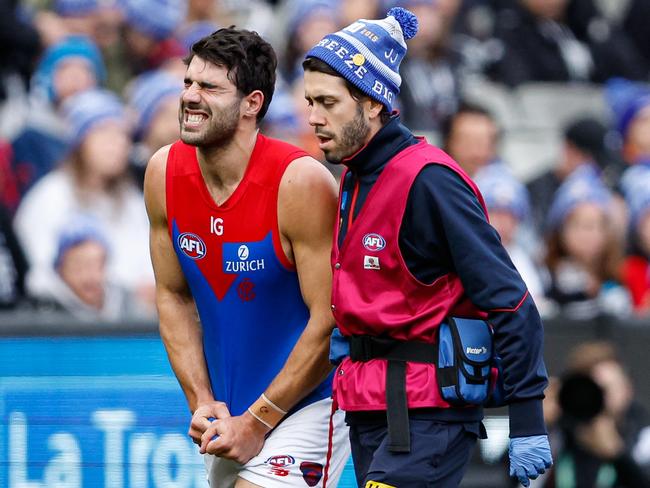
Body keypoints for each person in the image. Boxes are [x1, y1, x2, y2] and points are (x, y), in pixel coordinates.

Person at [302, 7, 551, 488]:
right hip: (370, 407)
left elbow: (509, 298)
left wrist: (527, 415)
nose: (313, 118)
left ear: (372, 102)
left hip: (425, 414)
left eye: (327, 102)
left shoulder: (430, 180)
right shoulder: (355, 176)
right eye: (310, 101)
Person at [144, 27, 350, 487]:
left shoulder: (301, 183)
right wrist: (201, 400)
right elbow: (173, 297)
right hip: (226, 413)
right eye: (188, 84)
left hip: (308, 406)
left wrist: (258, 422)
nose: (191, 97)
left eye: (210, 88)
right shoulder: (162, 172)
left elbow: (330, 320)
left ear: (252, 103)